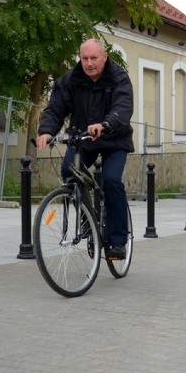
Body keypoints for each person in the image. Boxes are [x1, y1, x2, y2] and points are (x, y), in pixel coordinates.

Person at [35, 38, 133, 260]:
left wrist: (106, 124)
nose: (89, 63)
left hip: (114, 139)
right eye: (85, 58)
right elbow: (55, 109)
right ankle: (87, 217)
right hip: (84, 138)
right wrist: (46, 131)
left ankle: (117, 242)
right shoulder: (71, 80)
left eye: (93, 58)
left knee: (111, 181)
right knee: (69, 171)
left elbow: (123, 107)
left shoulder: (119, 77)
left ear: (104, 57)